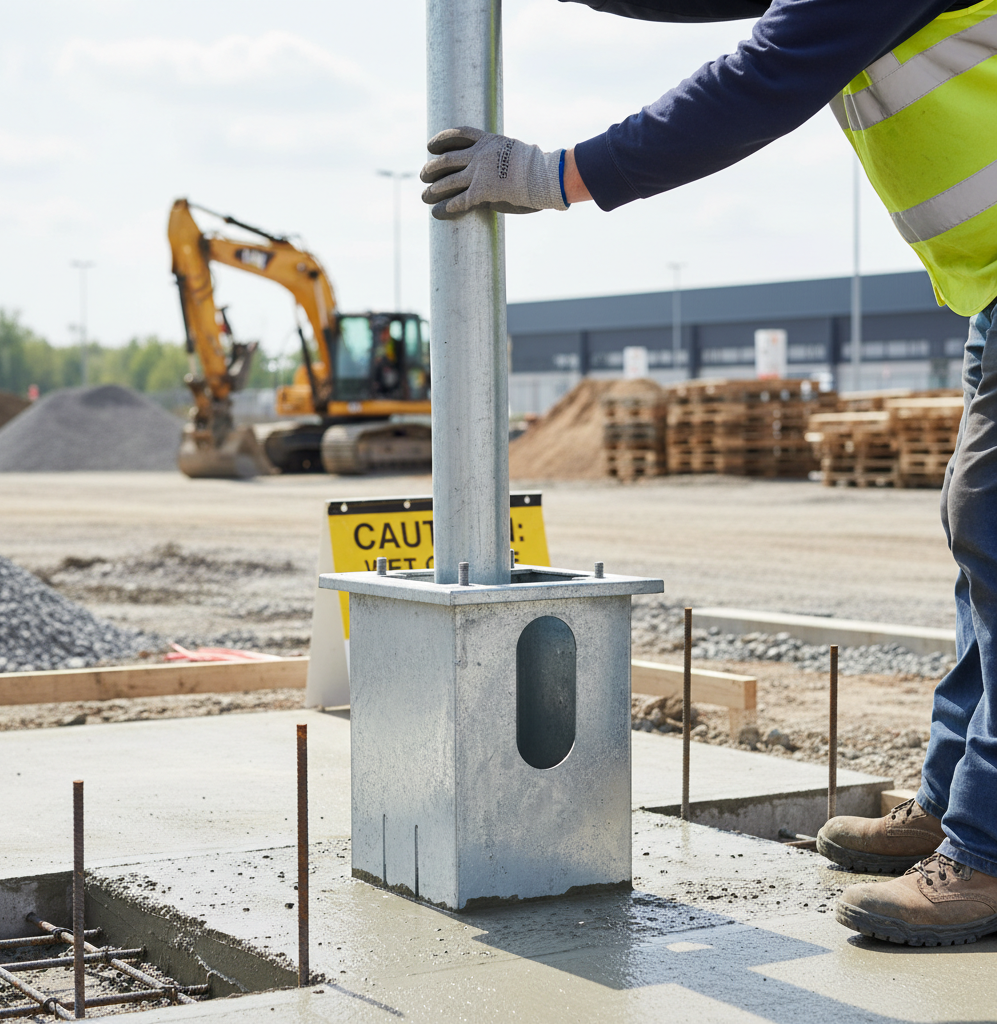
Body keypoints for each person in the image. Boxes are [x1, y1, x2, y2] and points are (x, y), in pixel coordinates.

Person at [421, 0, 997, 947]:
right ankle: (955, 806)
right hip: (991, 288)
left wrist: (554, 175)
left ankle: (989, 851)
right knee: (983, 558)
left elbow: (758, 81)